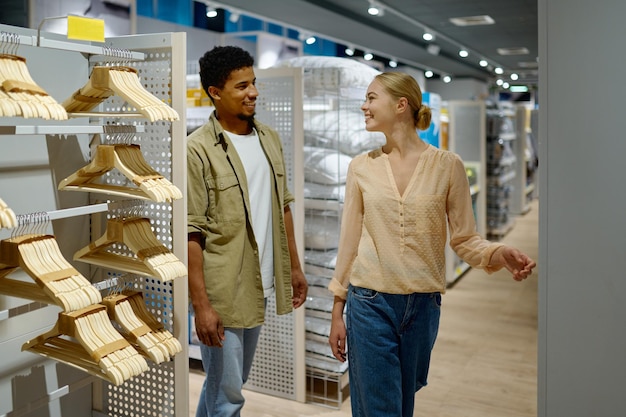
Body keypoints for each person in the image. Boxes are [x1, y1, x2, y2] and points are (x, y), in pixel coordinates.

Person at [328, 72, 536, 417]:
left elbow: (464, 238)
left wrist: (498, 253)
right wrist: (338, 308)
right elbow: (349, 241)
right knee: (382, 409)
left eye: (370, 97)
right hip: (369, 302)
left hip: (423, 308)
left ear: (400, 105)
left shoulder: (446, 166)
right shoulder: (361, 168)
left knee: (403, 404)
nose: (363, 106)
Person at [187, 45, 308, 417]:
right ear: (215, 92)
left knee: (226, 386)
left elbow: (282, 206)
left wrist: (296, 267)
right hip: (223, 290)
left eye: (253, 83)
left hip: (260, 283)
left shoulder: (268, 138)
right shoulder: (198, 149)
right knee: (228, 398)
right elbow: (191, 233)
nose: (253, 92)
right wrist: (201, 306)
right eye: (241, 86)